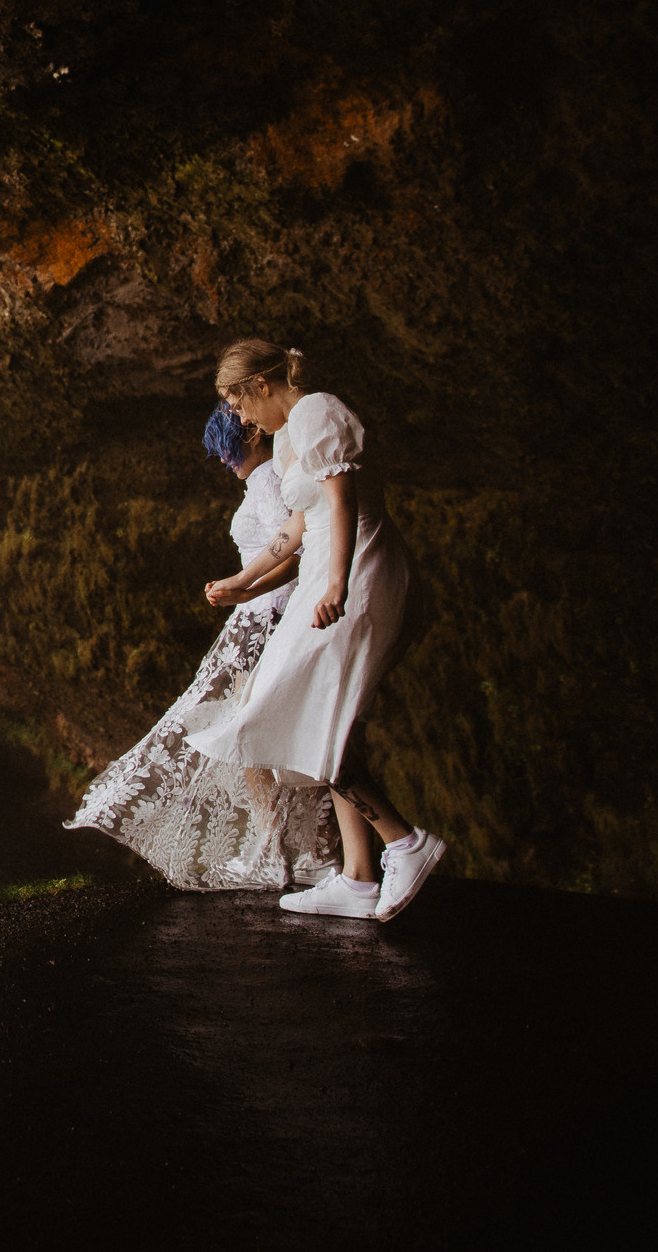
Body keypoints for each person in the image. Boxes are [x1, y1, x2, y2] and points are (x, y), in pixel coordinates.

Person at [188, 340, 446, 921]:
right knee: (320, 713)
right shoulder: (285, 439)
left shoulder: (316, 412)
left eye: (238, 403)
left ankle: (405, 842)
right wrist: (243, 581)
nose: (242, 420)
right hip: (321, 571)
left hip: (356, 567)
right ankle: (356, 878)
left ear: (260, 383)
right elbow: (297, 527)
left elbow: (342, 501)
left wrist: (338, 583)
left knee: (300, 711)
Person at [66, 401, 339, 890]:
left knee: (244, 734)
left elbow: (295, 552)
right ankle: (290, 847)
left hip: (267, 618)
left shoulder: (271, 481)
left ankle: (285, 848)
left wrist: (244, 590)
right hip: (257, 616)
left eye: (226, 448)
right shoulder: (267, 480)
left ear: (252, 435)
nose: (222, 460)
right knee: (247, 733)